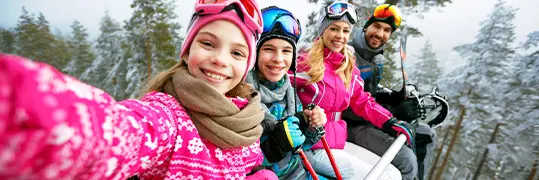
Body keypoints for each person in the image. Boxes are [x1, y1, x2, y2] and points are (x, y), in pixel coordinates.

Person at [0, 0, 279, 179]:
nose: (220, 59)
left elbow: (249, 165)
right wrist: (19, 106)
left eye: (237, 53)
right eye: (207, 43)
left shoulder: (247, 115)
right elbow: (114, 133)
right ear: (187, 49)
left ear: (246, 66)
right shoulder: (168, 119)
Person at [292, 1, 415, 179]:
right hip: (311, 145)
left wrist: (390, 121)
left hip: (336, 141)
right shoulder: (305, 62)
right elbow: (282, 86)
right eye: (334, 29)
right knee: (386, 178)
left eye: (345, 30)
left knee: (393, 173)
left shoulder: (347, 64)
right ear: (323, 30)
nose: (340, 36)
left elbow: (361, 100)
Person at [342, 4, 436, 180]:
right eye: (376, 26)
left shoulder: (376, 57)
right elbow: (346, 103)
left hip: (369, 117)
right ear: (366, 26)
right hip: (350, 125)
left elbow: (369, 90)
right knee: (407, 160)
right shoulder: (349, 55)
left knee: (426, 134)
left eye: (386, 30)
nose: (380, 34)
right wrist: (392, 113)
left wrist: (393, 97)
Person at [245, 6, 328, 179]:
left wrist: (312, 125)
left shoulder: (288, 91)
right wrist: (273, 148)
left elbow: (301, 145)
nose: (278, 59)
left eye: (286, 51)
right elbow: (234, 163)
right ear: (255, 52)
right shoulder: (241, 95)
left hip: (299, 172)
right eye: (268, 49)